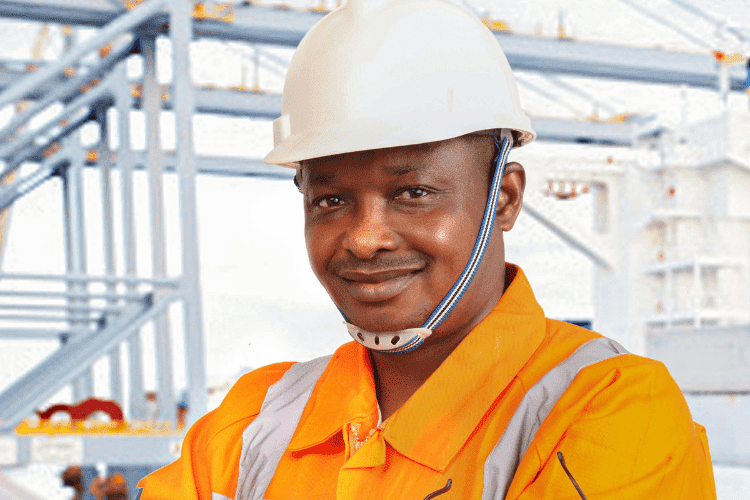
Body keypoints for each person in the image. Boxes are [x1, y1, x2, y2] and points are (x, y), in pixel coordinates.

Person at [139, 0, 716, 498]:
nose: (365, 238)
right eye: (331, 200)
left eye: (413, 193)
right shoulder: (255, 419)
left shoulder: (609, 409)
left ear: (506, 198)